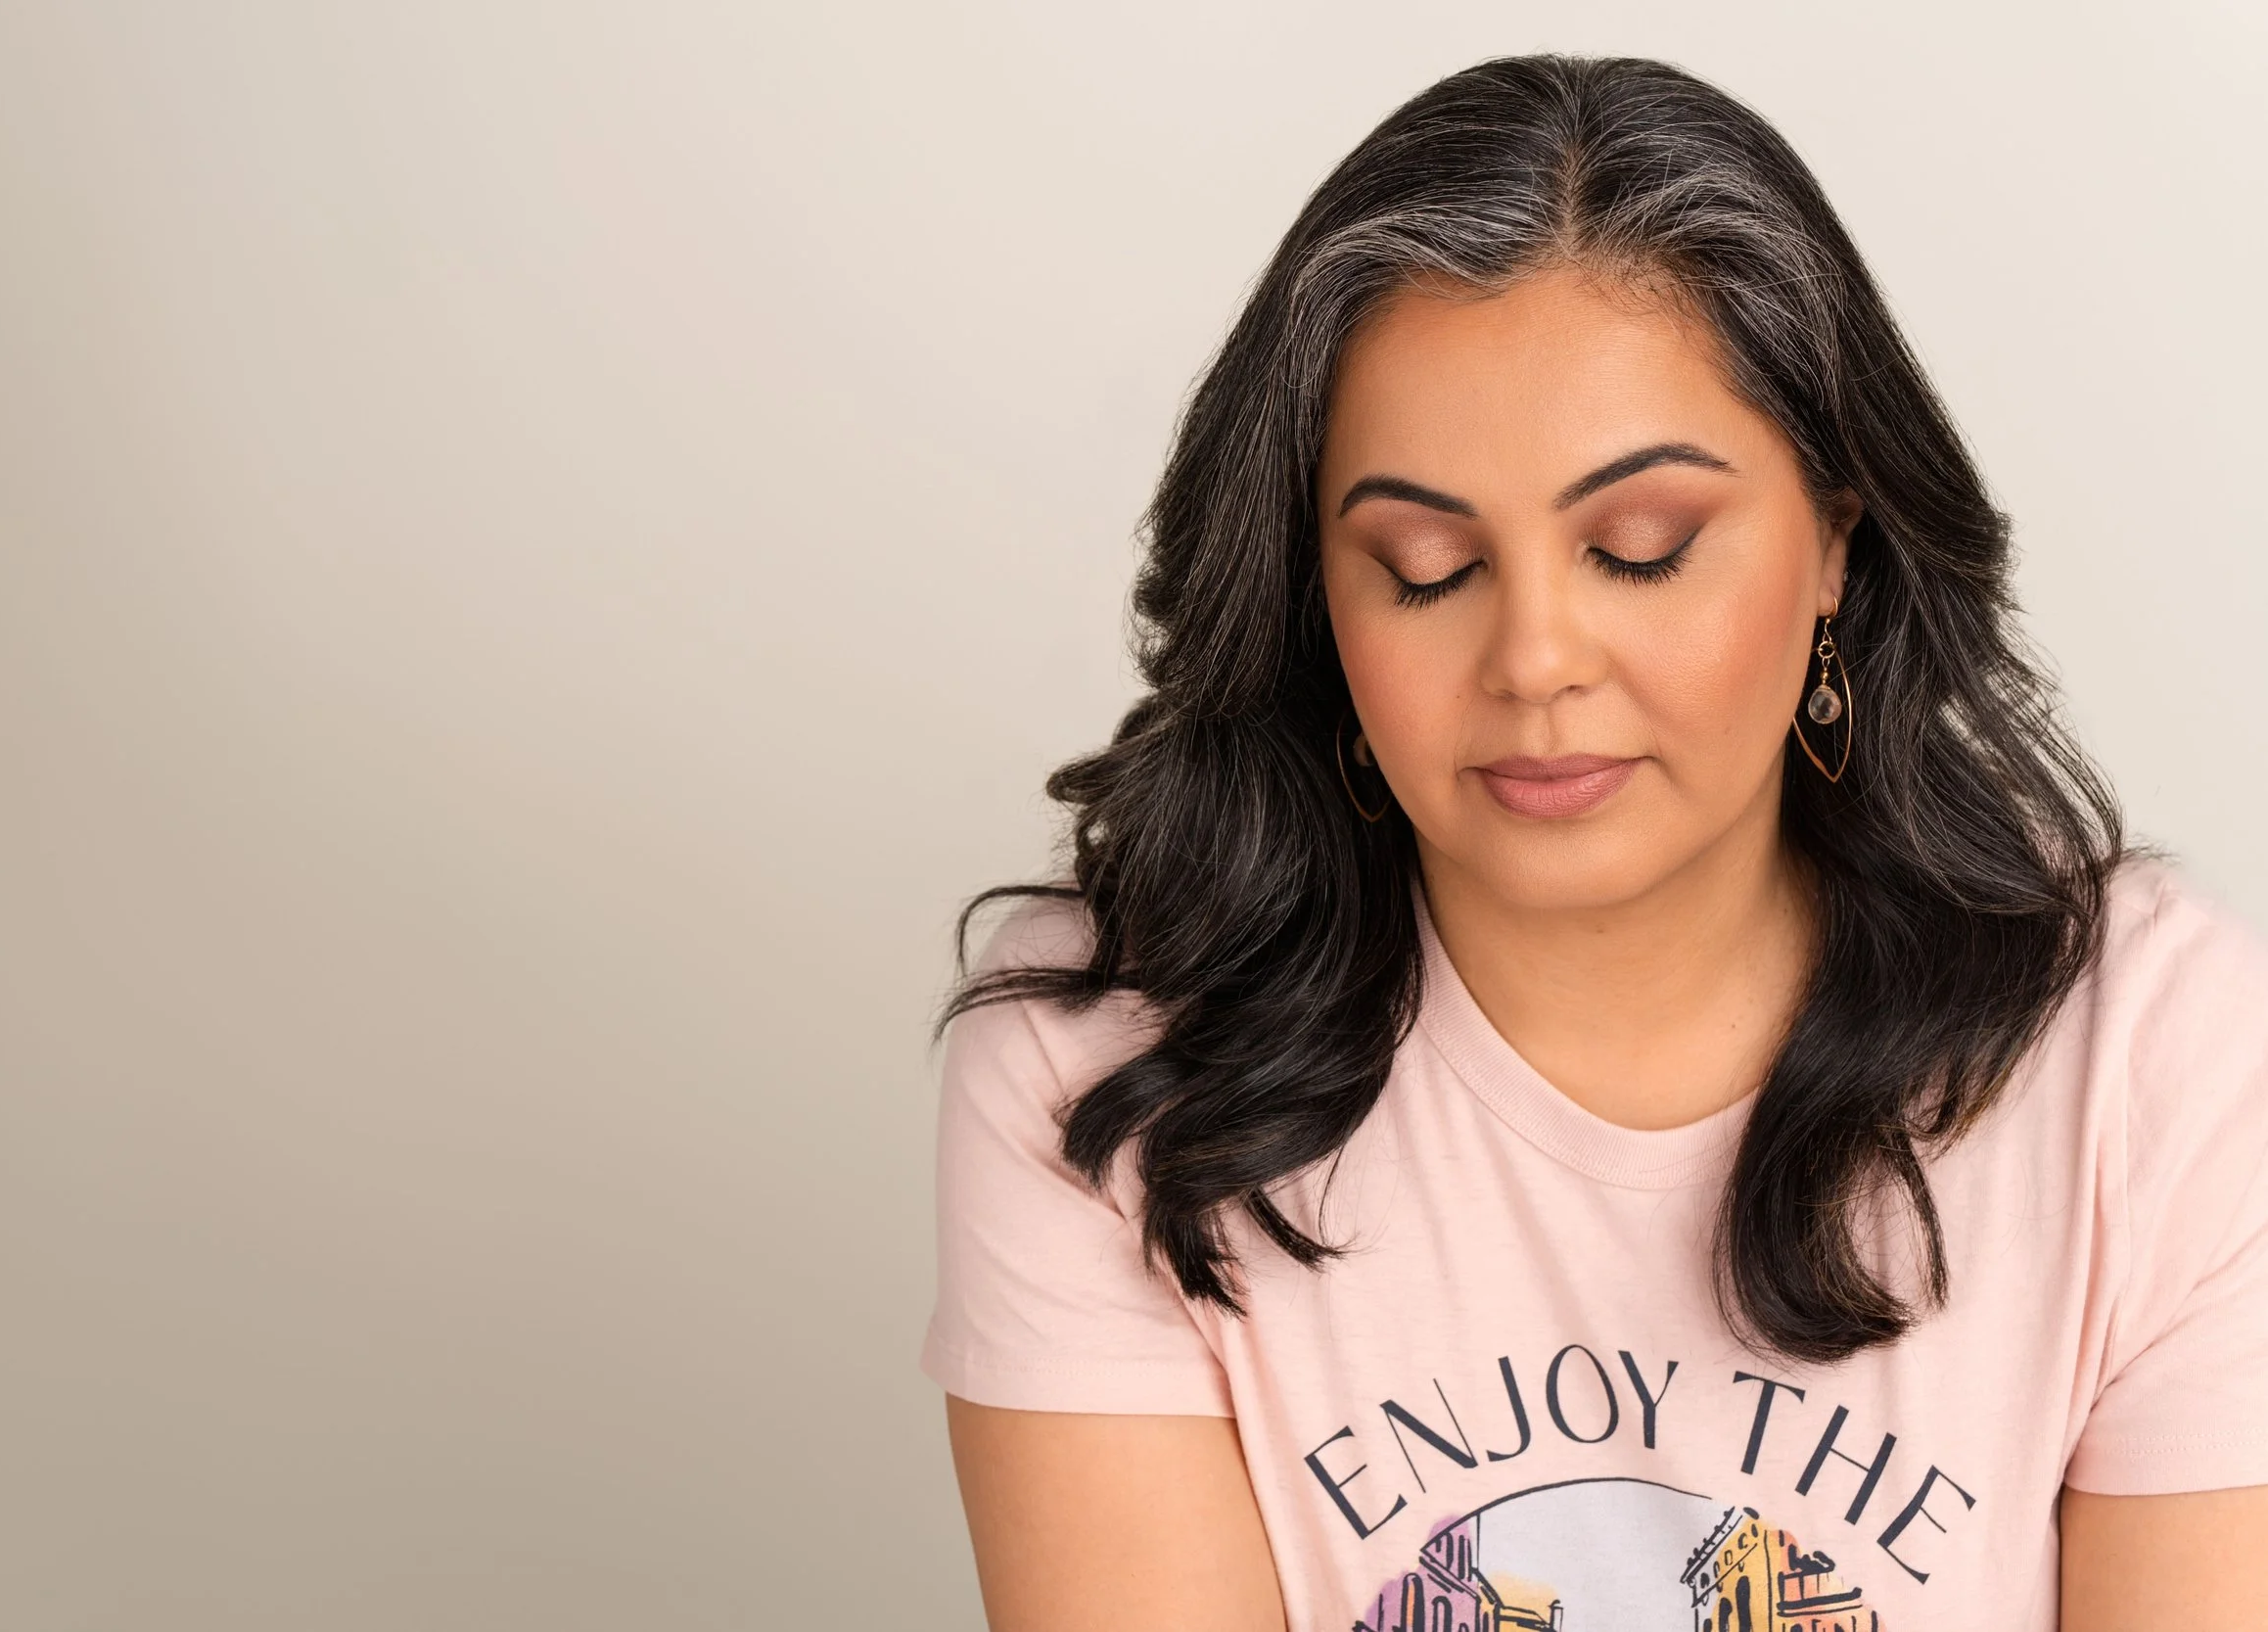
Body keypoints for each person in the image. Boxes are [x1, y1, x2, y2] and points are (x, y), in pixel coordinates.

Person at [918, 52, 2268, 1632]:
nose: (1535, 660)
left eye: (1641, 547)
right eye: (1425, 567)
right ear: (1315, 601)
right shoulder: (1103, 1070)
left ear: (1836, 543)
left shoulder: (2149, 1063)